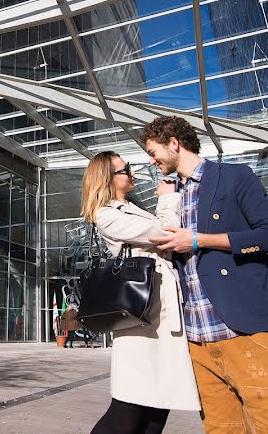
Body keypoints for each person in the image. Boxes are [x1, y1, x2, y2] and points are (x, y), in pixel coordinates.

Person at [142, 116, 268, 434]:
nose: (151, 160)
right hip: (196, 340)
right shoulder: (173, 196)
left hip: (243, 332)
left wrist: (198, 240)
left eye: (153, 151)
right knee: (221, 429)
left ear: (173, 143)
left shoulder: (233, 177)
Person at [81, 151, 200, 434]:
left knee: (160, 404)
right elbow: (165, 231)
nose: (132, 172)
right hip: (141, 316)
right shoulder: (106, 214)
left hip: (163, 313)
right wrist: (167, 198)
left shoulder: (132, 208)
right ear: (107, 179)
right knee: (129, 407)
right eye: (125, 169)